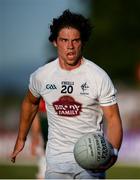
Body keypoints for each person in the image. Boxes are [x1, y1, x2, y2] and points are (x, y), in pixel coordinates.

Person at [11, 9, 123, 179]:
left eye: (75, 40)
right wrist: (21, 137)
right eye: (64, 40)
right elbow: (30, 102)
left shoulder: (98, 76)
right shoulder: (41, 75)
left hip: (91, 162)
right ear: (55, 42)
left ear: (82, 42)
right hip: (56, 161)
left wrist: (112, 152)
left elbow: (113, 118)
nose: (70, 46)